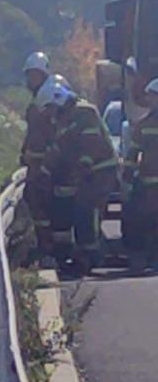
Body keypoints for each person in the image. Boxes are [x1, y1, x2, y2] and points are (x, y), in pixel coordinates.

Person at [38, 83, 118, 274]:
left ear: (58, 100)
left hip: (100, 170)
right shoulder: (62, 118)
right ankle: (85, 253)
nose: (50, 112)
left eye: (51, 107)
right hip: (85, 173)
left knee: (87, 210)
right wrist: (45, 170)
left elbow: (89, 144)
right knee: (80, 210)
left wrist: (82, 166)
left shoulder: (84, 112)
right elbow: (59, 149)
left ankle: (92, 256)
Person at [20, 52, 71, 259]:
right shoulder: (42, 96)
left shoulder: (48, 97)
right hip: (44, 166)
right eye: (29, 75)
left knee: (48, 208)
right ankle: (51, 248)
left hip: (50, 167)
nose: (31, 80)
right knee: (45, 207)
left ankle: (51, 249)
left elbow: (48, 137)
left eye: (34, 75)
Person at [122, 78, 158, 271]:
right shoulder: (142, 125)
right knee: (150, 223)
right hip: (148, 185)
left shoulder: (143, 125)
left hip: (149, 184)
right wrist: (127, 179)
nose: (150, 101)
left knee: (151, 222)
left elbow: (132, 156)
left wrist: (127, 179)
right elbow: (132, 155)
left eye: (153, 97)